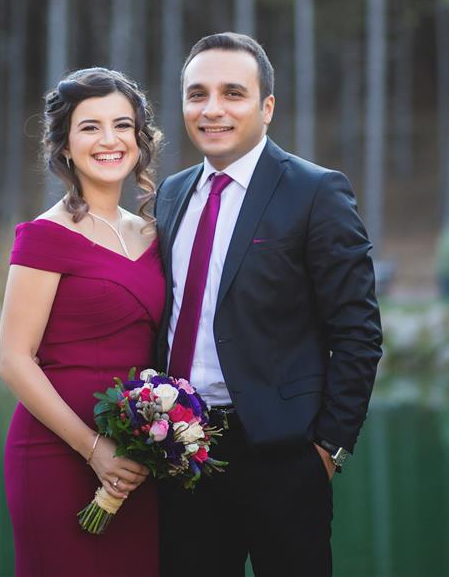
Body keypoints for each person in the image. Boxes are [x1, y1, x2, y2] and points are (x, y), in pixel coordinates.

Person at [155, 33, 383, 577]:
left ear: (267, 107)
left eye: (233, 93)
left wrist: (329, 449)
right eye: (197, 94)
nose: (212, 109)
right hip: (179, 452)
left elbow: (358, 331)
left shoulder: (315, 191)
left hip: (284, 458)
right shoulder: (170, 194)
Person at [0, 67, 165, 577]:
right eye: (90, 127)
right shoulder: (45, 236)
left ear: (140, 139)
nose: (109, 140)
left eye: (122, 125)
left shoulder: (156, 233)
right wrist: (94, 450)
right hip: (56, 453)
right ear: (66, 146)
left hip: (138, 459)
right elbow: (12, 359)